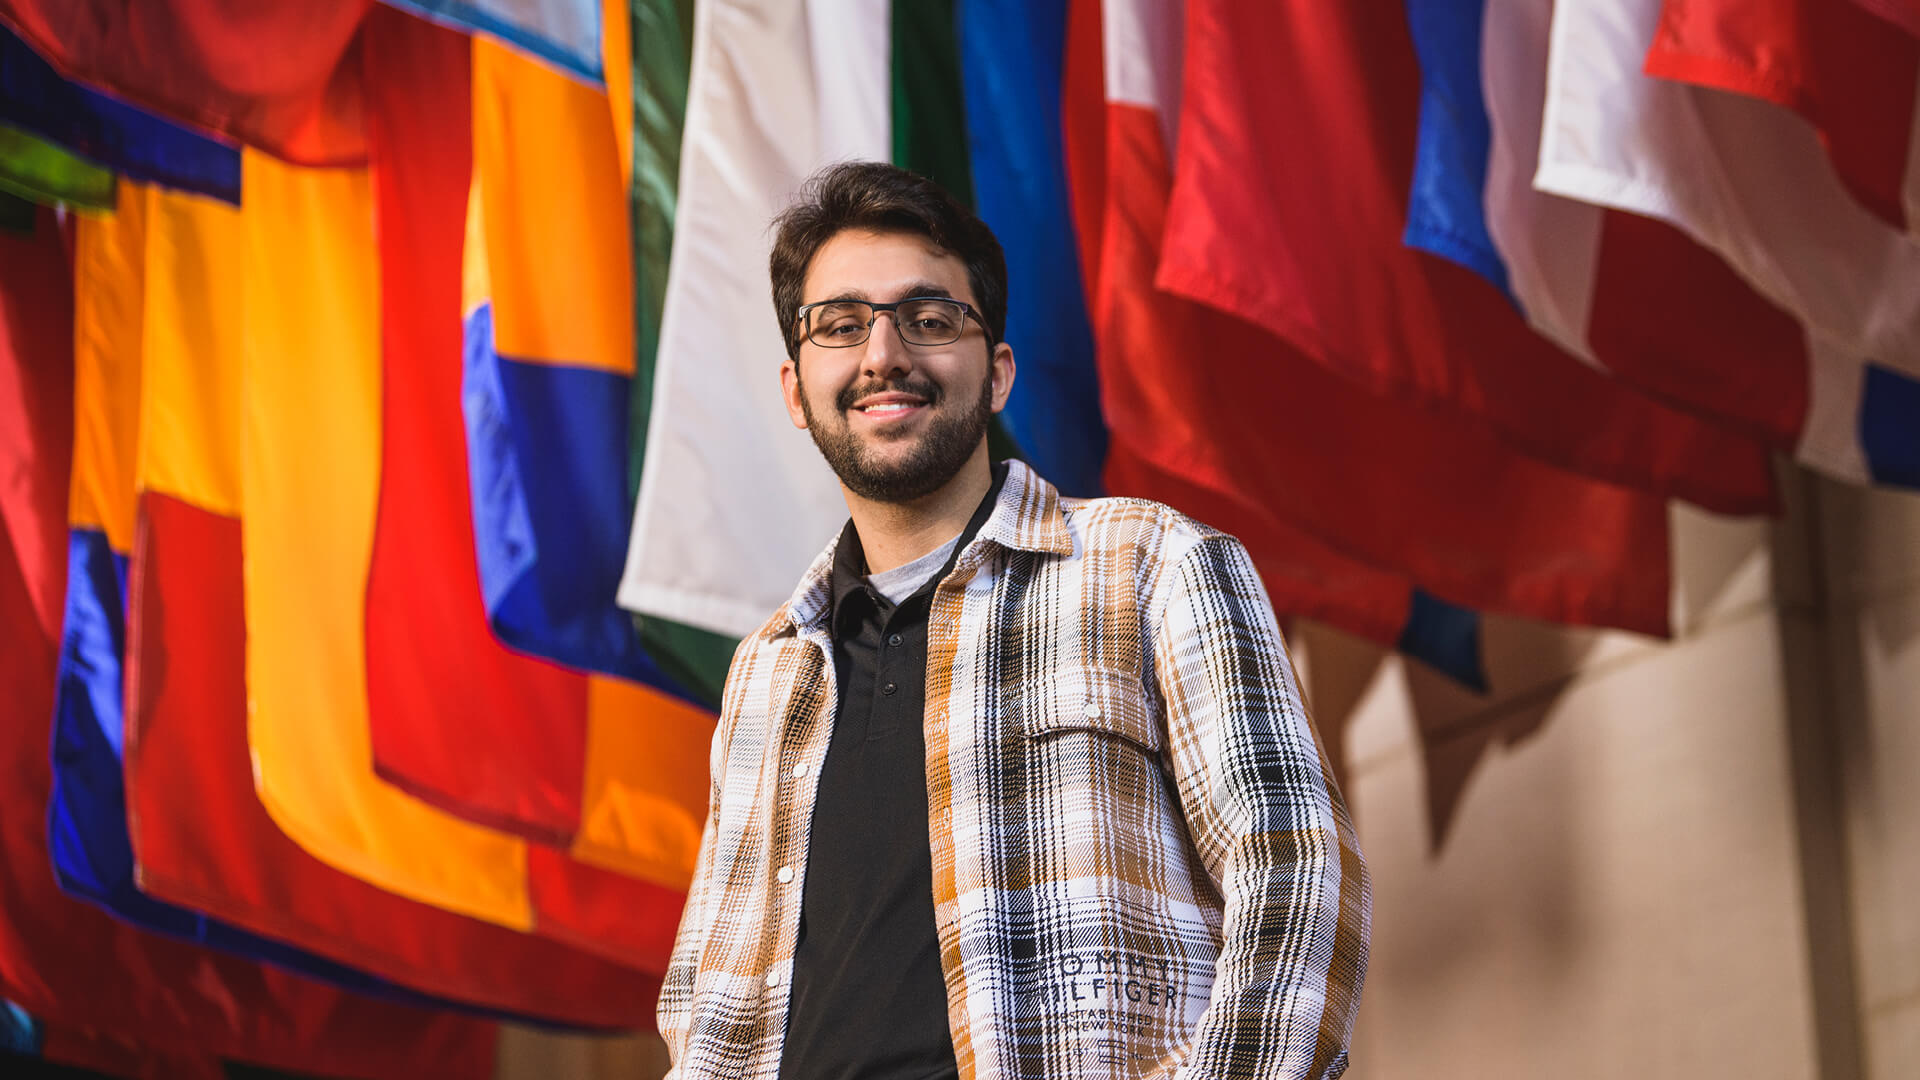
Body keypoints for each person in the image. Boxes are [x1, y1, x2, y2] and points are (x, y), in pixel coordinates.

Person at [657, 161, 1370, 1080]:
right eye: (841, 325)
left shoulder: (1152, 563)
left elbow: (1298, 874)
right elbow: (706, 1000)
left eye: (929, 318)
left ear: (995, 374)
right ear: (797, 390)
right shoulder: (765, 670)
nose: (884, 355)